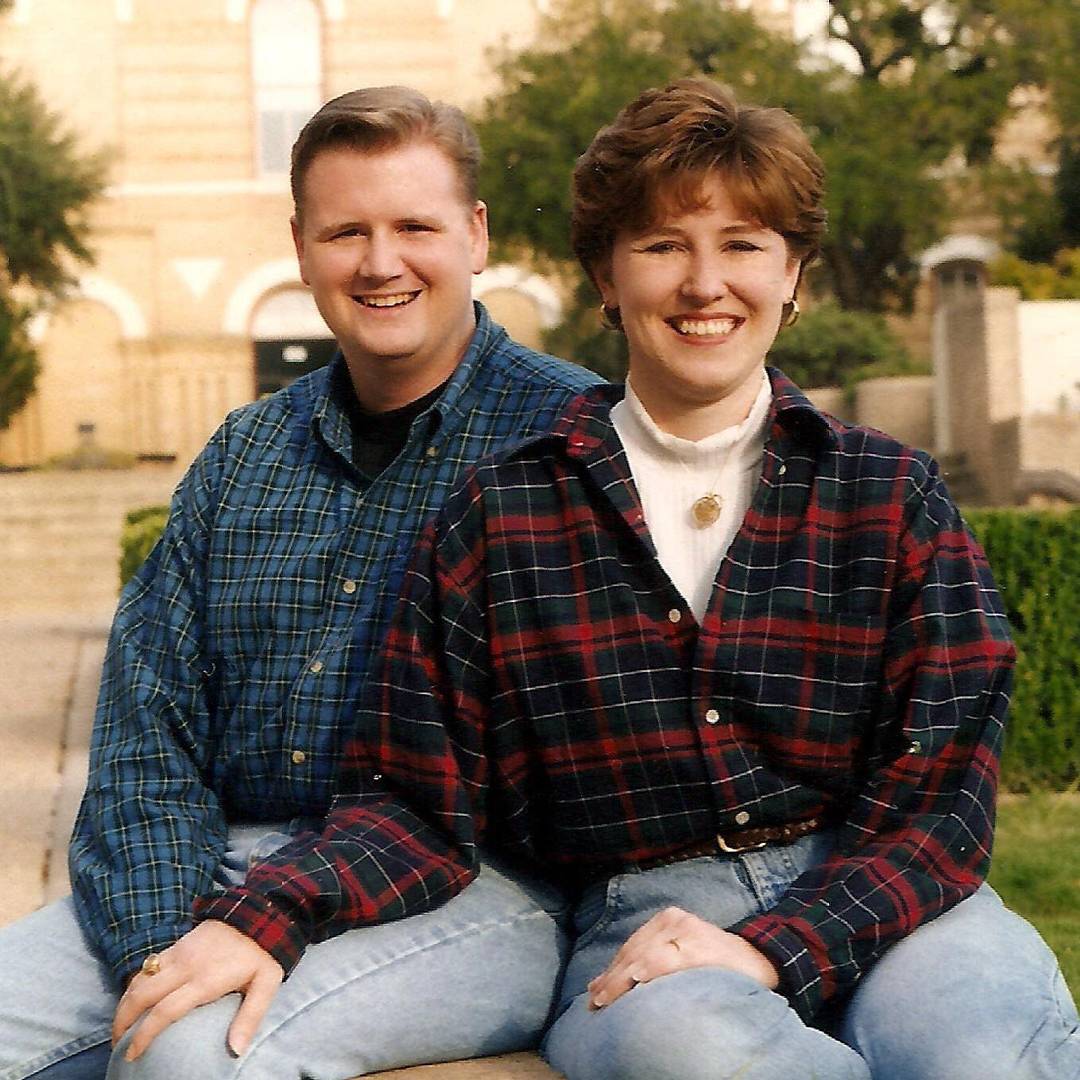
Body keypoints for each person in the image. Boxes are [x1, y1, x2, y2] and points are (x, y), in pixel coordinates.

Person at [197, 78, 1080, 1079]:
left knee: (985, 1051)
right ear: (606, 280)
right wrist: (261, 913)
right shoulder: (501, 518)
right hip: (647, 921)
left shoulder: (888, 494)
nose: (706, 284)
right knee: (699, 1051)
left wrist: (779, 945)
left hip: (884, 887)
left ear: (797, 277)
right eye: (663, 246)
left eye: (744, 244)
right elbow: (415, 802)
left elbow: (942, 797)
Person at [0, 86, 601, 1079]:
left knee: (192, 1056)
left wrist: (242, 935)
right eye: (345, 231)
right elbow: (145, 731)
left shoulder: (568, 439)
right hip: (227, 868)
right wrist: (163, 941)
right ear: (299, 244)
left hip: (472, 890)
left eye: (415, 225)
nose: (380, 262)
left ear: (477, 234)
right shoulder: (246, 450)